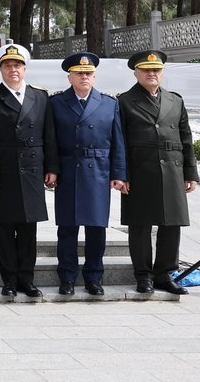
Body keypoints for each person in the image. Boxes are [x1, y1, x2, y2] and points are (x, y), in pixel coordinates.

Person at [0, 43, 58, 298]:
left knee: (28, 229)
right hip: (4, 170)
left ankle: (27, 279)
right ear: (1, 69)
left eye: (18, 65)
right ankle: (9, 280)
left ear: (25, 69)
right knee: (5, 228)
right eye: (8, 65)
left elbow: (49, 135)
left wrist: (52, 168)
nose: (13, 69)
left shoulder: (41, 96)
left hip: (33, 170)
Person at [118, 50, 198, 295]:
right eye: (146, 70)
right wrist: (122, 174)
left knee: (171, 223)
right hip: (140, 169)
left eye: (156, 69)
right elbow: (119, 141)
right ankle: (143, 275)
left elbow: (186, 138)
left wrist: (190, 173)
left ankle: (164, 274)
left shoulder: (175, 100)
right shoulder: (124, 101)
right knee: (140, 224)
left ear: (162, 72)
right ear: (136, 73)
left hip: (172, 169)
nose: (151, 73)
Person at [49, 53, 126, 296]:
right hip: (69, 170)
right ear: (69, 77)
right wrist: (52, 169)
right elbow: (50, 140)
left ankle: (94, 277)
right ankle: (67, 277)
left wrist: (118, 173)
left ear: (94, 76)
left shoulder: (109, 103)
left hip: (98, 171)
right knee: (67, 229)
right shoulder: (56, 102)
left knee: (96, 228)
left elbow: (118, 142)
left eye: (88, 73)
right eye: (79, 73)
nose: (84, 76)